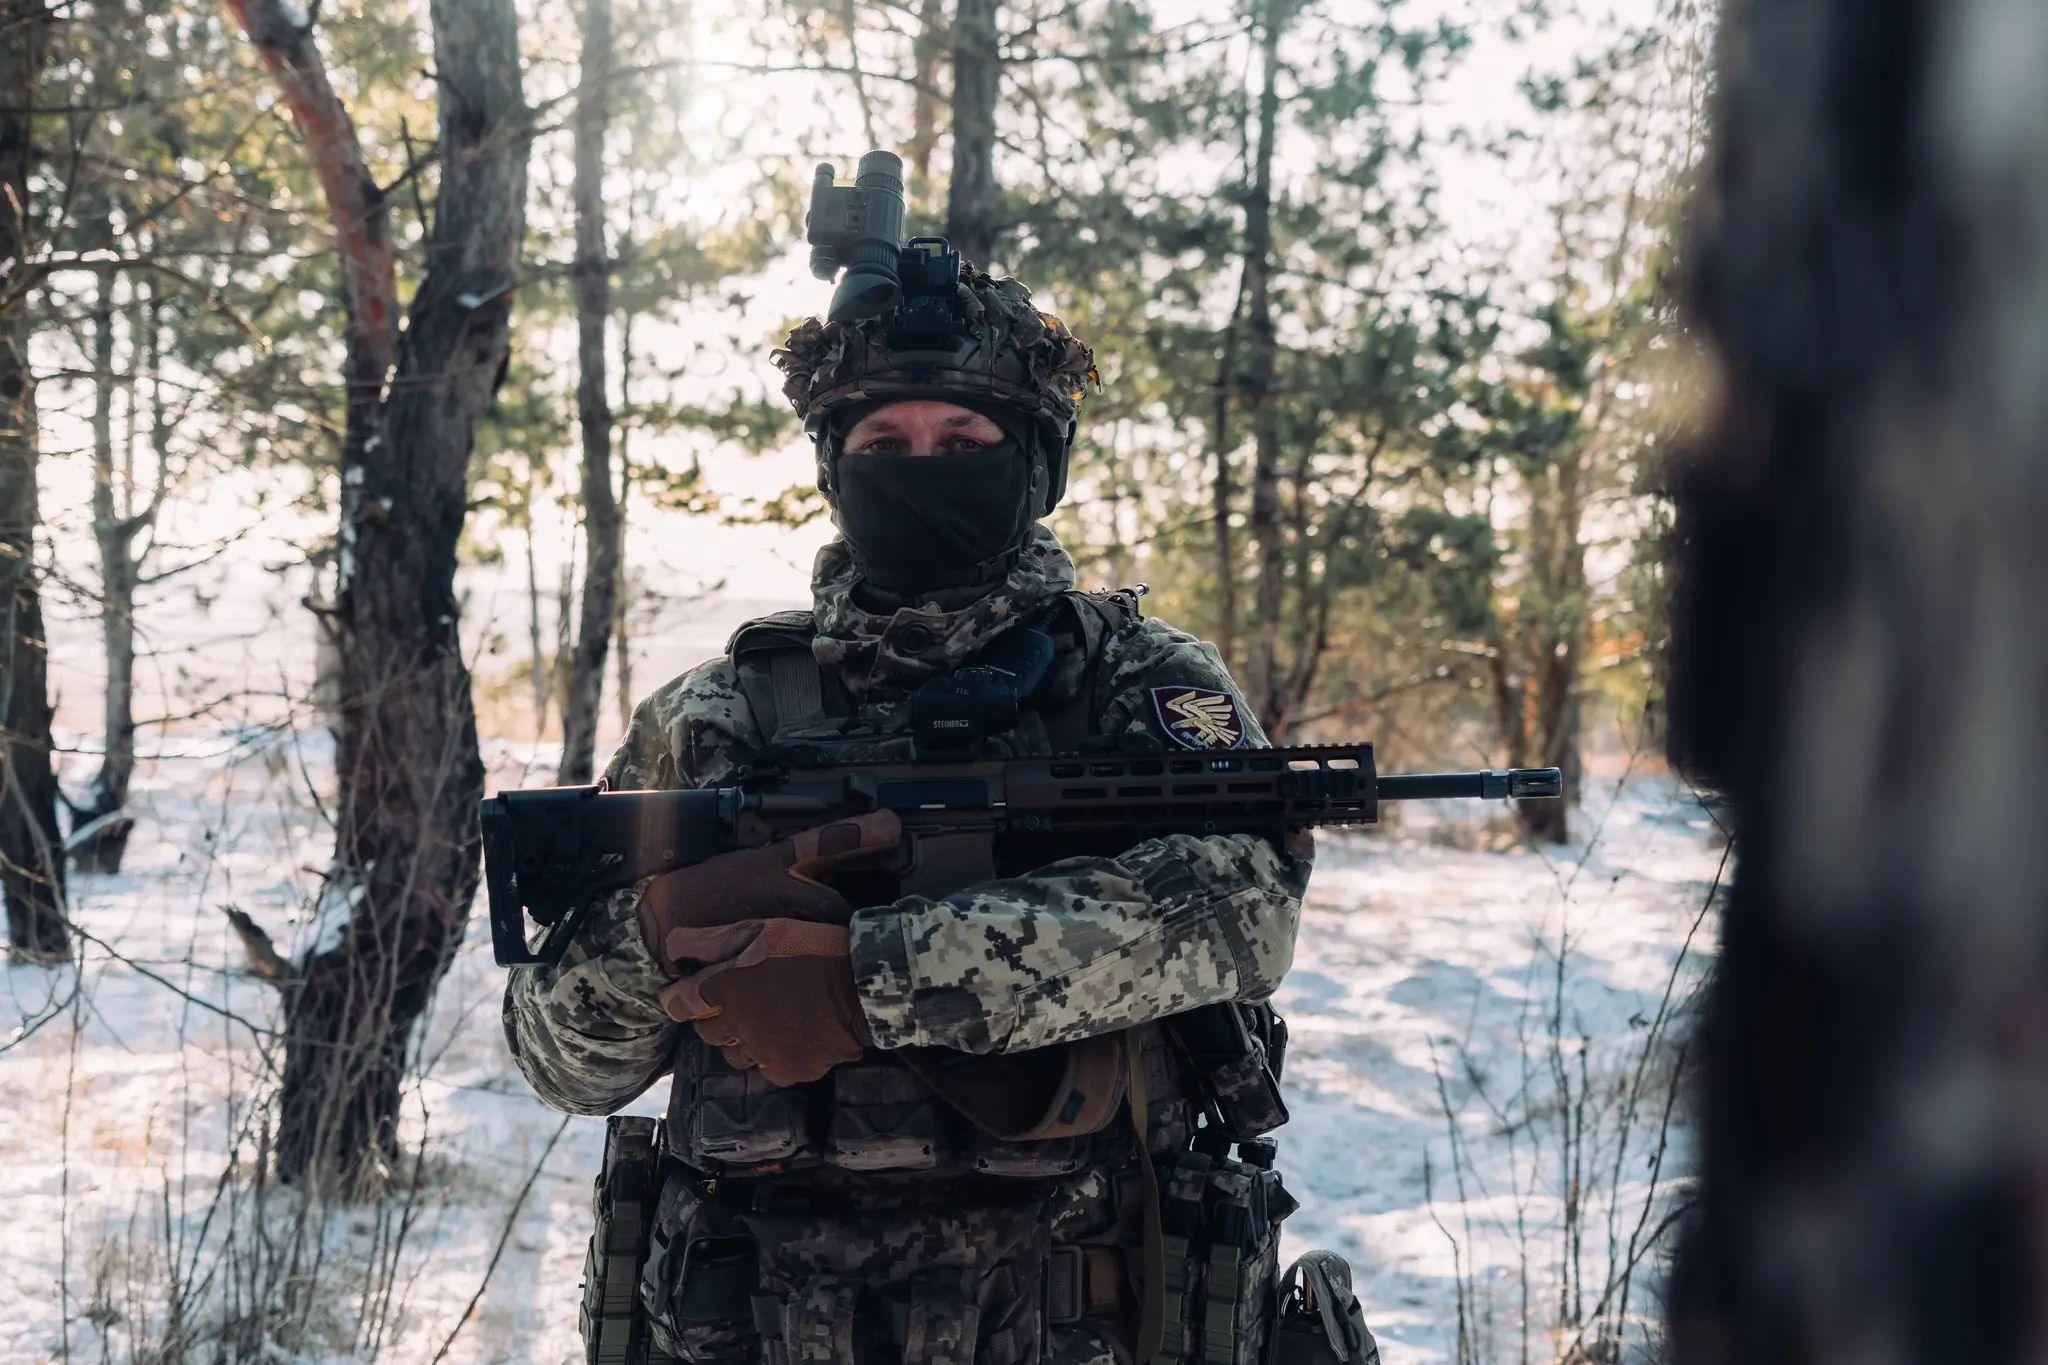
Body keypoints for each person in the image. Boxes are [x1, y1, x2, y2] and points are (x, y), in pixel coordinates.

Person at [503, 261, 1358, 1365]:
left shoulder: (1135, 678)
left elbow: (1240, 914)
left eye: (962, 445)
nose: (920, 473)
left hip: (1076, 1312)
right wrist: (660, 934)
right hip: (752, 1317)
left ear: (1034, 463)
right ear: (834, 468)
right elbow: (561, 1064)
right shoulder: (718, 715)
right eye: (882, 447)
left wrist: (866, 980)